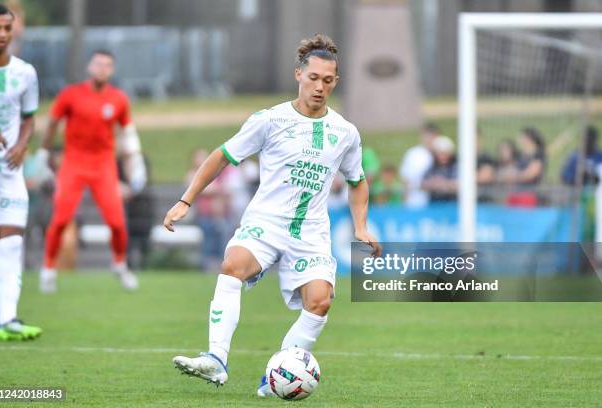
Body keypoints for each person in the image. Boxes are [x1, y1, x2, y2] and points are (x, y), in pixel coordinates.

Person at [163, 34, 381, 396]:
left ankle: (277, 377)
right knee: (233, 265)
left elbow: (357, 181)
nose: (319, 87)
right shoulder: (269, 120)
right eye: (313, 78)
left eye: (328, 81)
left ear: (335, 82)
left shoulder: (345, 133)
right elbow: (222, 156)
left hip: (310, 231)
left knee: (320, 301)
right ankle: (216, 359)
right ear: (298, 74)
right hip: (265, 222)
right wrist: (185, 200)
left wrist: (360, 226)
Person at [38, 50, 146, 293]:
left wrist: (136, 164)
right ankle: (48, 269)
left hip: (103, 165)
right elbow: (52, 124)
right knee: (61, 219)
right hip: (73, 164)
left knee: (117, 223)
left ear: (112, 70)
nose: (102, 68)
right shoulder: (71, 94)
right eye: (98, 64)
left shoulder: (118, 99)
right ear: (89, 66)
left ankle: (119, 264)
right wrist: (43, 156)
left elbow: (127, 133)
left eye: (107, 65)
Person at [0, 4, 42, 341]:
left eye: (7, 28)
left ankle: (8, 320)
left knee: (11, 244)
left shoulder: (26, 72)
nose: (2, 35)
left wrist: (23, 144)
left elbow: (29, 116)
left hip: (9, 169)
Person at [400, 123, 440, 208]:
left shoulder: (442, 154)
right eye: (427, 136)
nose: (430, 139)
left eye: (432, 136)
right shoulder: (413, 154)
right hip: (416, 201)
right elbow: (406, 179)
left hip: (438, 202)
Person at [421, 135, 458, 202]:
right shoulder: (432, 167)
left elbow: (462, 183)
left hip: (452, 203)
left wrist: (445, 184)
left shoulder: (456, 166)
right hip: (435, 204)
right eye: (440, 153)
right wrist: (432, 183)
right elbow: (423, 183)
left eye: (445, 153)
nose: (442, 156)